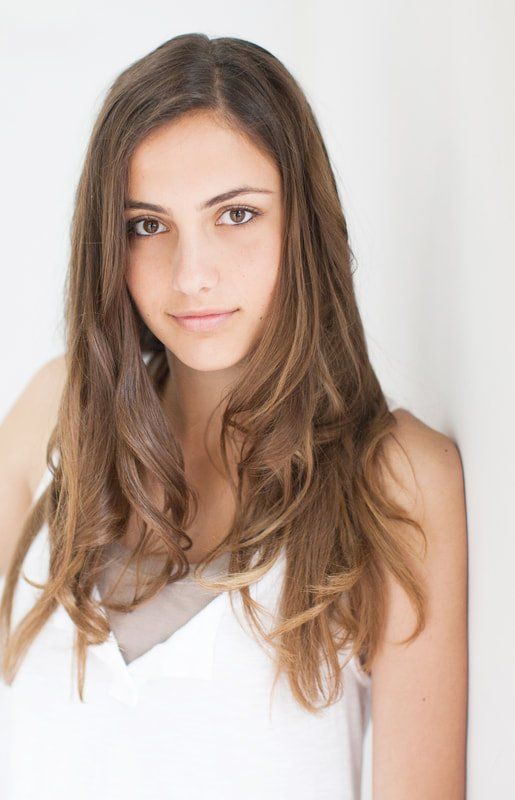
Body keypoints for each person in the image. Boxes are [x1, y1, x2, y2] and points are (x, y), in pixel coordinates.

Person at [0, 33, 468, 799]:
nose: (192, 275)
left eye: (236, 215)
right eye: (146, 225)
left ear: (303, 226)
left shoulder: (394, 481)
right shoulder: (57, 414)